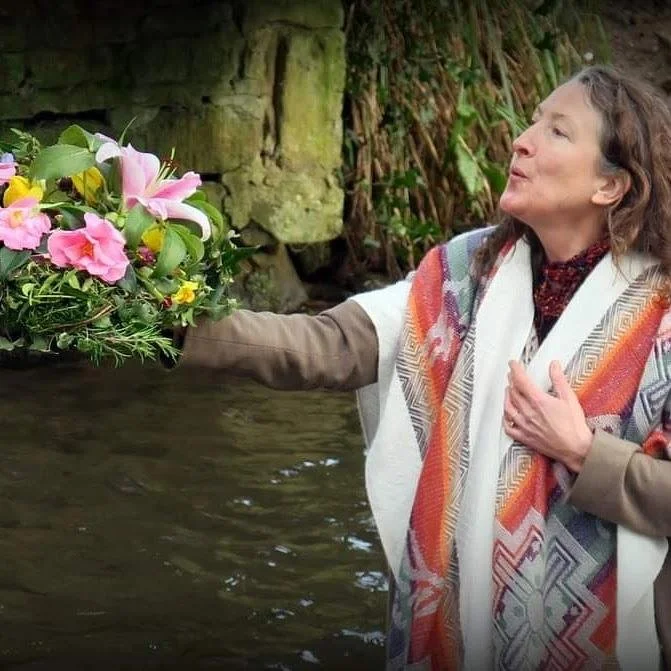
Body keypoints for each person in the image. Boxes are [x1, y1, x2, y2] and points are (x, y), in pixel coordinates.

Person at [176, 65, 671, 670]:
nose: (523, 140)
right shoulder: (468, 272)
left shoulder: (664, 316)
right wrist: (168, 325)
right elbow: (329, 346)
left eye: (558, 131)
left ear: (610, 186)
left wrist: (585, 454)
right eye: (533, 121)